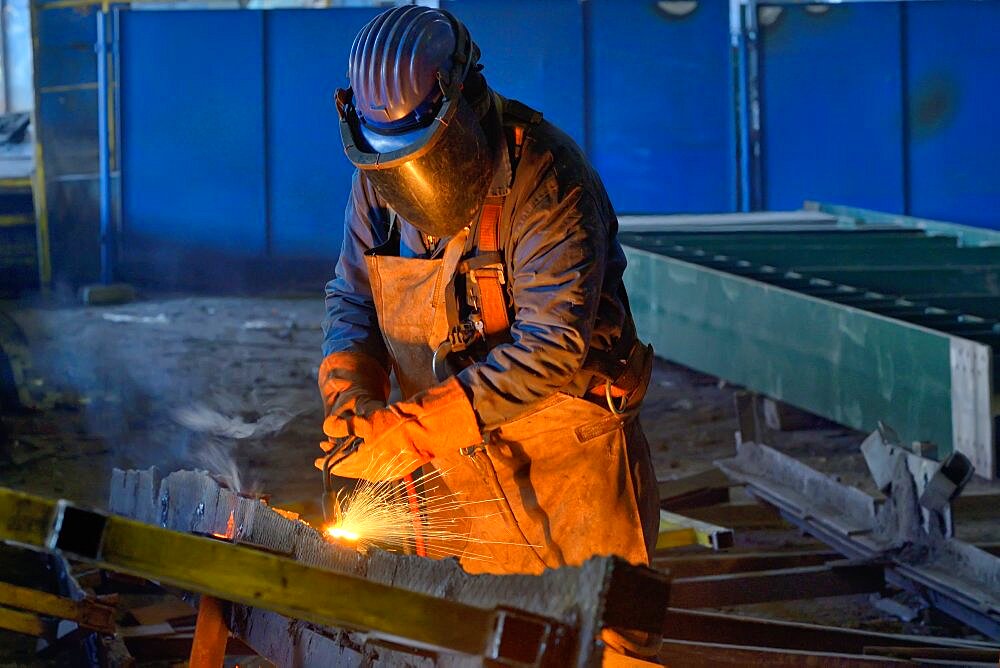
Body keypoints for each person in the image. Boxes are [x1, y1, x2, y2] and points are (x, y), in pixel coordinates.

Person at [318, 5, 659, 581]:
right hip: (451, 461)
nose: (405, 180)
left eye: (420, 159)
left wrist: (415, 431)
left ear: (466, 107)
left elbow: (551, 346)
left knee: (596, 643)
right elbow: (353, 299)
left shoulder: (547, 179)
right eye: (390, 164)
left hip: (562, 460)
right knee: (462, 638)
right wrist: (352, 398)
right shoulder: (378, 180)